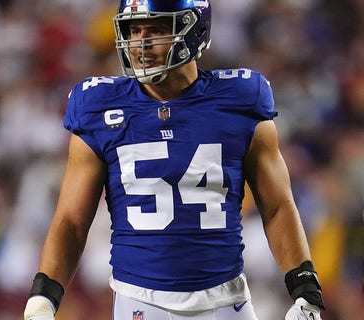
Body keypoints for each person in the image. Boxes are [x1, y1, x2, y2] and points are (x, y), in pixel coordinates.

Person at [23, 1, 326, 320]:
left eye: (155, 29)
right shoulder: (98, 106)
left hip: (225, 300)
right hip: (138, 300)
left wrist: (305, 288)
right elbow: (71, 219)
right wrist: (43, 297)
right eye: (134, 29)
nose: (140, 42)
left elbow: (277, 206)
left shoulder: (240, 100)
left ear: (194, 30)